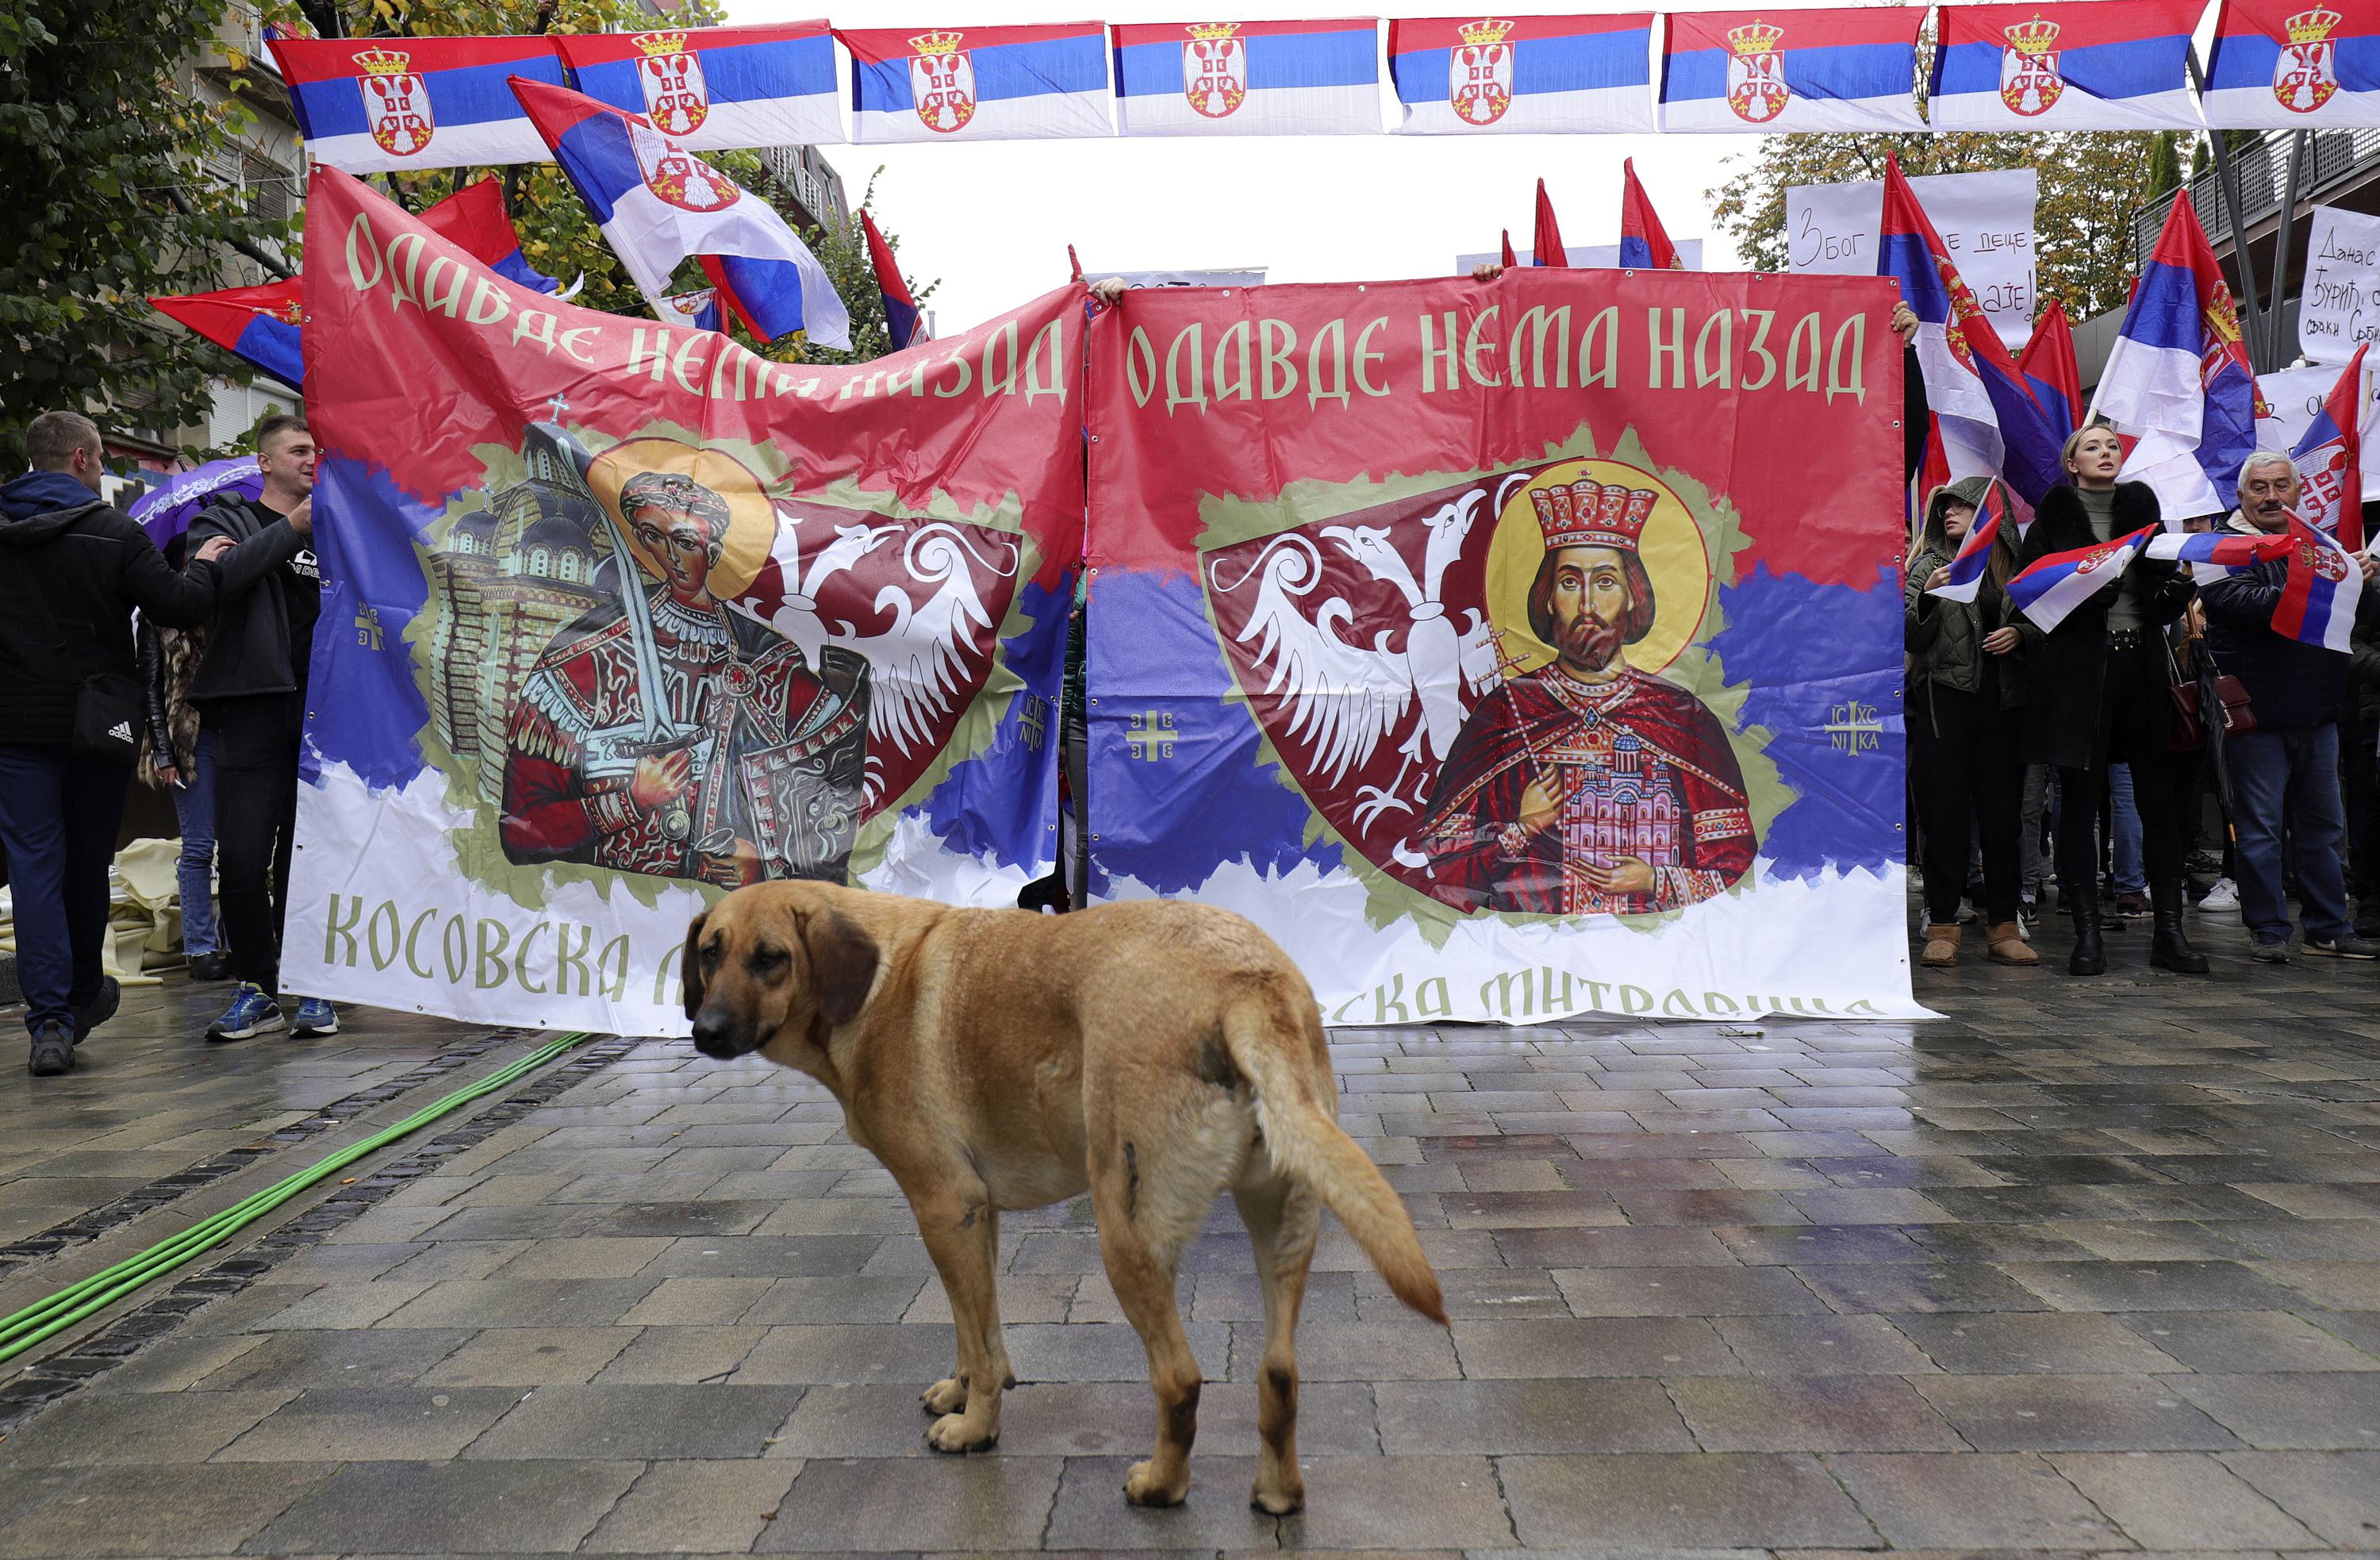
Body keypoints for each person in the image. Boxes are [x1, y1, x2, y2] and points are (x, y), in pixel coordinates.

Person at [500, 467, 871, 886]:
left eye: (685, 541)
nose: (671, 556)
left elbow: (828, 802)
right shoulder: (586, 655)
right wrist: (631, 801)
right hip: (607, 922)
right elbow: (521, 828)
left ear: (714, 552)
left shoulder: (770, 661)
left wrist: (765, 866)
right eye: (653, 537)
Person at [0, 412, 232, 1075]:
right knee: (84, 865)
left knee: (33, 868)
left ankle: (48, 1024)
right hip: (96, 727)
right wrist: (208, 566)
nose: (101, 471)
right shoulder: (112, 532)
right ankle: (76, 1001)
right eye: (100, 461)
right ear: (80, 458)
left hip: (13, 728)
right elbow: (180, 606)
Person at [1417, 474, 1756, 914]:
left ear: (1633, 597)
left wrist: (1654, 879)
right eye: (1571, 583)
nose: (1588, 606)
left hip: (1654, 949)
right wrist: (1522, 829)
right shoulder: (1508, 711)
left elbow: (1730, 863)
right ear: (1548, 599)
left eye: (1606, 582)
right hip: (1526, 950)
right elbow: (1445, 864)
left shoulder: (1679, 715)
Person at [2016, 423, 2208, 976]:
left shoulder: (2143, 506)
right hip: (2078, 677)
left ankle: (2169, 933)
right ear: (2072, 462)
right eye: (2093, 446)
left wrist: (2173, 596)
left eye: (2113, 446)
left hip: (2139, 670)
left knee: (2159, 804)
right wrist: (2077, 596)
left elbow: (2160, 585)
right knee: (2079, 806)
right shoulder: (2054, 511)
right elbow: (2030, 594)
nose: (2107, 452)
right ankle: (2087, 936)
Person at [186, 413, 336, 1043]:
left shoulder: (338, 527)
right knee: (243, 857)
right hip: (252, 709)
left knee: (312, 857)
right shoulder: (225, 518)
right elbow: (217, 582)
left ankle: (315, 989)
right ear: (265, 462)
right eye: (297, 450)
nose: (310, 460)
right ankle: (255, 985)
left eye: (316, 451)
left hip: (324, 713)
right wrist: (291, 531)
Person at [2200, 451, 2380, 960]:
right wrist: (2329, 583)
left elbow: (2354, 620)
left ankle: (2327, 926)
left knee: (2324, 829)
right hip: (2257, 714)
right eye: (2259, 487)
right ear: (2241, 496)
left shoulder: (2318, 544)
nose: (2272, 496)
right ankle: (2270, 931)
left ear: (2299, 492)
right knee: (2260, 831)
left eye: (2282, 485)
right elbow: (2245, 606)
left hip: (2320, 710)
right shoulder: (2220, 548)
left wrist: (2360, 583)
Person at [1906, 476, 2035, 966]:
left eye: (1962, 507)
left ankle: (2004, 926)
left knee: (2003, 818)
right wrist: (1930, 597)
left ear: (1989, 515)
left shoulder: (2014, 569)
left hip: (2002, 704)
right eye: (1946, 507)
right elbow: (1909, 638)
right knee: (1944, 817)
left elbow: (2045, 621)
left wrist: (2020, 635)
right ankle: (1943, 922)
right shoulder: (1929, 566)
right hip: (1945, 704)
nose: (1949, 514)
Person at [140, 540, 228, 982]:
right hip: (187, 740)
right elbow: (151, 686)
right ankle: (199, 948)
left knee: (239, 845)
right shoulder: (159, 612)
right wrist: (162, 751)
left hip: (234, 731)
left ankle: (233, 940)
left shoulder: (229, 599)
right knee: (198, 846)